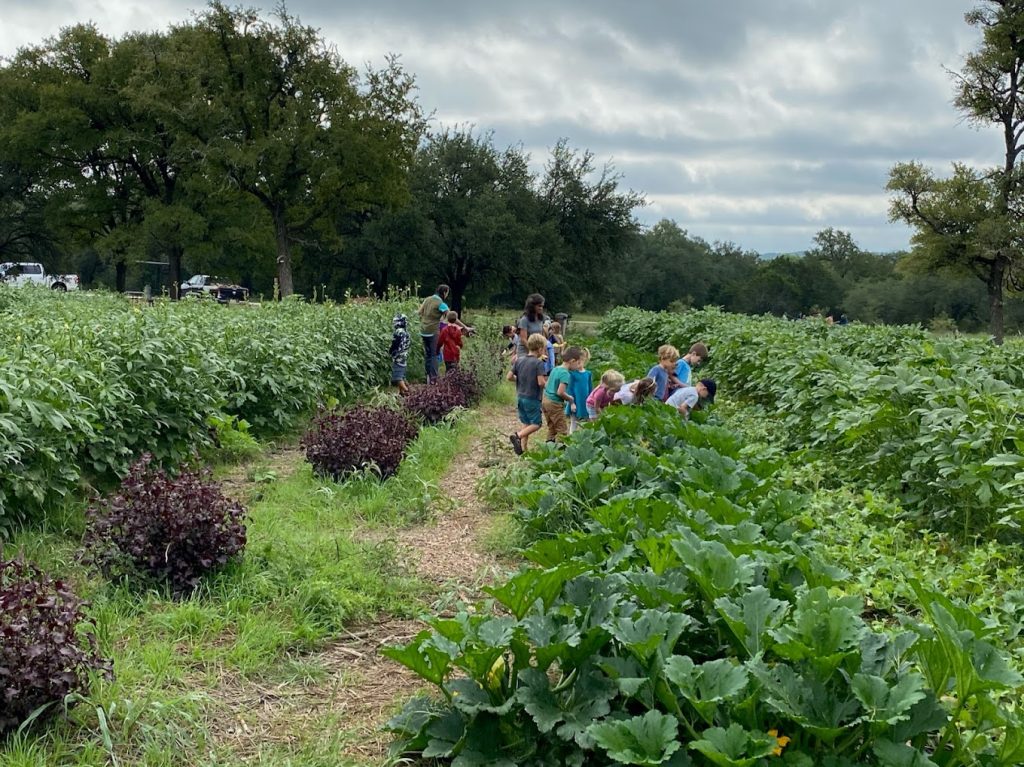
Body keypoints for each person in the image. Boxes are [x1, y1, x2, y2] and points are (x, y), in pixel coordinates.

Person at [507, 333, 548, 455]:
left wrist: (520, 379)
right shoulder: (538, 363)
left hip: (520, 397)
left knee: (526, 423)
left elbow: (509, 377)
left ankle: (523, 449)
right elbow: (541, 382)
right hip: (532, 398)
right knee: (536, 424)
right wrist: (549, 387)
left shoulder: (519, 360)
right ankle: (517, 436)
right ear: (540, 349)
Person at [542, 346, 583, 442]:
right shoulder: (565, 373)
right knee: (562, 430)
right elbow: (560, 392)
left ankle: (548, 450)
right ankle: (560, 453)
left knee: (552, 428)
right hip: (555, 403)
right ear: (572, 361)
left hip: (545, 400)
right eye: (578, 363)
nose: (578, 366)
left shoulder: (555, 369)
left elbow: (547, 385)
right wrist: (570, 399)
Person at [418, 284, 450, 384]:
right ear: (444, 292)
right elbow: (451, 316)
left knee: (428, 354)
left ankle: (427, 376)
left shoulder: (427, 299)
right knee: (434, 354)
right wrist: (465, 327)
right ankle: (433, 379)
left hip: (423, 331)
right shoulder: (441, 303)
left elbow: (419, 312)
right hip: (433, 332)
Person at [565, 347, 593, 433]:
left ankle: (587, 437)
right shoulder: (573, 374)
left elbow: (590, 388)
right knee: (574, 421)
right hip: (576, 400)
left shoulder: (588, 373)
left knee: (587, 420)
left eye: (581, 362)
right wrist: (571, 403)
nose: (579, 364)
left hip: (585, 400)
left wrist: (591, 400)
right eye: (578, 362)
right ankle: (571, 438)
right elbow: (570, 389)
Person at [515, 294, 547, 358]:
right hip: (525, 351)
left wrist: (543, 350)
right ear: (532, 306)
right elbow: (523, 339)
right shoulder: (524, 320)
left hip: (537, 350)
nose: (541, 308)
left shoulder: (541, 319)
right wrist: (532, 351)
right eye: (539, 306)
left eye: (542, 306)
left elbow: (541, 336)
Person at [389, 313, 411, 395]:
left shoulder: (398, 332)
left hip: (398, 357)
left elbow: (395, 344)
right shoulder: (406, 332)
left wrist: (391, 351)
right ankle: (401, 392)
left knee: (397, 377)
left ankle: (407, 391)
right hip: (404, 356)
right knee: (401, 374)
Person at [438, 310, 464, 375]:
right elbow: (459, 342)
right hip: (455, 353)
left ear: (447, 319)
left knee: (448, 369)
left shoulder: (444, 330)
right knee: (455, 370)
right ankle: (454, 383)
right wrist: (461, 346)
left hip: (447, 353)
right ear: (455, 320)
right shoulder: (458, 331)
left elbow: (440, 341)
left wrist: (437, 349)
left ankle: (447, 383)